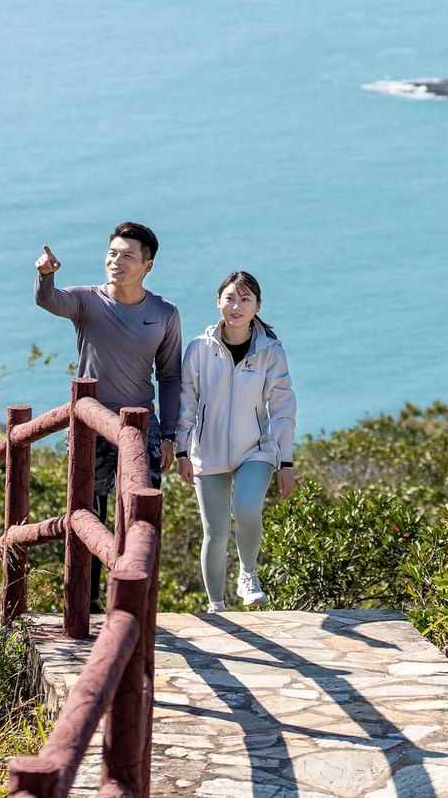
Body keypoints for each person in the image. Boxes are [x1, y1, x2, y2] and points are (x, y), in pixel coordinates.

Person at [35, 223, 184, 603]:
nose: (116, 262)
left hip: (140, 428)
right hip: (89, 424)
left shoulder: (164, 313)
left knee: (138, 510)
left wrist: (170, 436)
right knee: (90, 512)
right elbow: (48, 302)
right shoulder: (87, 300)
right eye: (113, 253)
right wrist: (45, 276)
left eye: (128, 256)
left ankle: (135, 596)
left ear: (147, 265)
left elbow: (169, 377)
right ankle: (90, 599)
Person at [173, 270, 297, 612]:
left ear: (257, 306)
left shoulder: (270, 351)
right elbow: (186, 401)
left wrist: (285, 462)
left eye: (245, 299)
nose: (236, 306)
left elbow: (283, 407)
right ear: (218, 302)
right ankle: (217, 607)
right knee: (215, 532)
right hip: (207, 454)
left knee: (245, 507)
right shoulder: (199, 350)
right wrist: (182, 450)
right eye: (230, 298)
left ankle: (247, 573)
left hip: (254, 450)